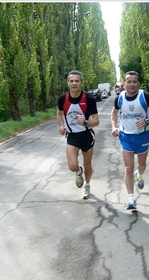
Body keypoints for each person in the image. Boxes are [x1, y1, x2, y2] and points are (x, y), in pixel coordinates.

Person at [110, 71, 149, 210]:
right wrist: (114, 127)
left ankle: (140, 175)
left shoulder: (145, 96)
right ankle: (131, 198)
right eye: (129, 81)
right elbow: (114, 113)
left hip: (142, 136)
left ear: (138, 83)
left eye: (134, 81)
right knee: (128, 168)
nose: (132, 84)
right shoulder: (120, 98)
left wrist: (146, 121)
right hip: (126, 136)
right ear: (124, 83)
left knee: (142, 164)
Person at [57, 70, 100, 199]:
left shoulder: (89, 99)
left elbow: (96, 121)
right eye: (71, 81)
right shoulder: (62, 99)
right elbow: (59, 114)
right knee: (72, 166)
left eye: (77, 81)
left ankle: (87, 185)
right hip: (72, 136)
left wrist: (86, 122)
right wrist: (61, 125)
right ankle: (78, 171)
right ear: (68, 83)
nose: (74, 83)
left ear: (82, 83)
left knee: (87, 164)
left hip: (86, 135)